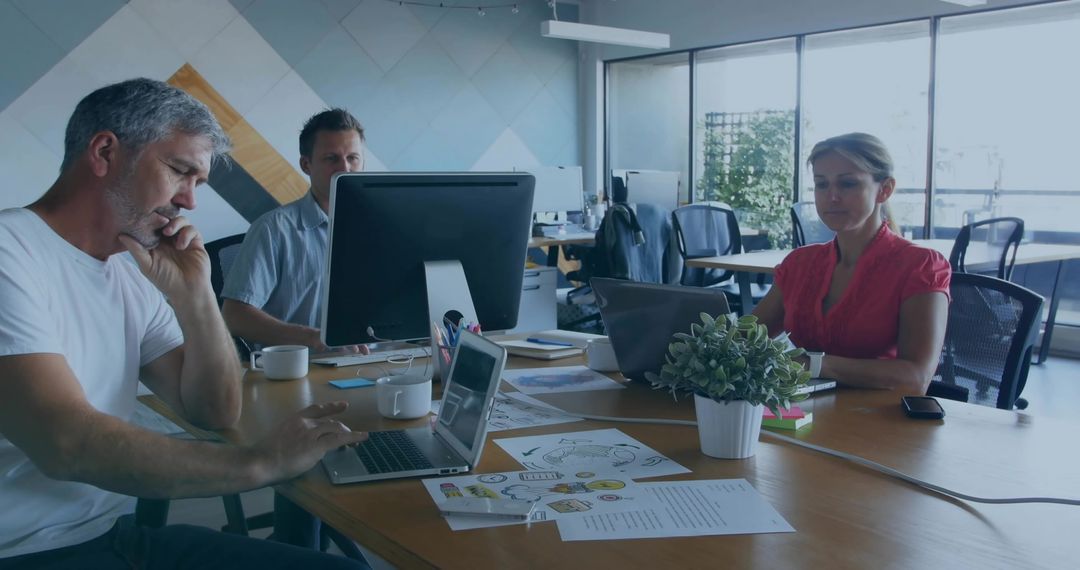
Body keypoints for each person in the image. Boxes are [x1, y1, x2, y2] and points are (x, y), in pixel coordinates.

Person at [0, 78, 368, 569]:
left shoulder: (126, 275)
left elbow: (215, 410)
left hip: (111, 536)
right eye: (179, 172)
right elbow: (66, 444)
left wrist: (196, 296)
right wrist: (261, 462)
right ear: (105, 152)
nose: (190, 202)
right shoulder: (11, 252)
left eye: (199, 183)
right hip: (28, 552)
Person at [752, 132, 950, 394]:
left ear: (885, 189)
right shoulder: (800, 264)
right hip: (804, 409)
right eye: (821, 184)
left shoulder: (921, 266)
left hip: (879, 414)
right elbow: (746, 337)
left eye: (847, 184)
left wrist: (815, 365)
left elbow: (916, 377)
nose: (832, 196)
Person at [221, 108, 367, 355]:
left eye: (353, 158)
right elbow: (234, 316)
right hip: (302, 368)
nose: (344, 168)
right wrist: (312, 337)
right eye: (331, 158)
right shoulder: (273, 230)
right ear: (306, 164)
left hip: (379, 362)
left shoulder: (381, 227)